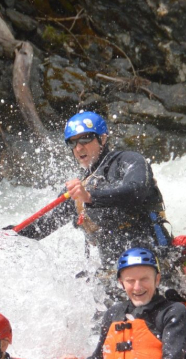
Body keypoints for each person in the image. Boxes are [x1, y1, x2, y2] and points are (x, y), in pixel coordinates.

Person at [10, 111, 173, 302]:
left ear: (103, 139)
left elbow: (135, 190)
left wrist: (90, 197)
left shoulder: (128, 161)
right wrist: (12, 234)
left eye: (86, 139)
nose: (79, 148)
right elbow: (45, 225)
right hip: (115, 276)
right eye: (72, 143)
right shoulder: (79, 188)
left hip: (154, 268)